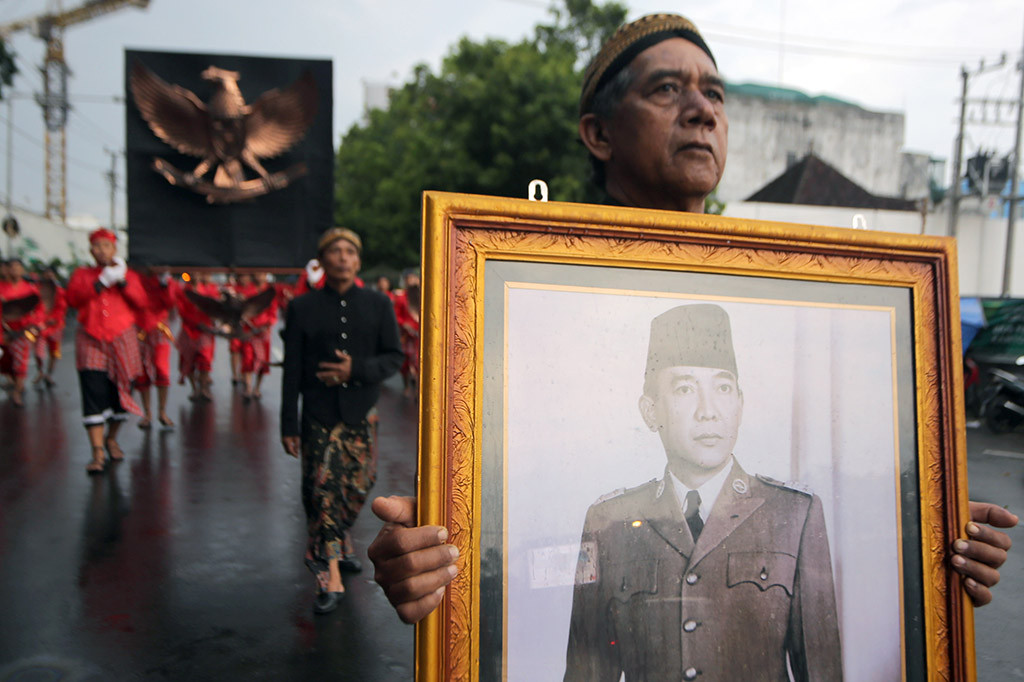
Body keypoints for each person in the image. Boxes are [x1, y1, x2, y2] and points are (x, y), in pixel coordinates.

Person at [367, 13, 1018, 626]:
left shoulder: (788, 295)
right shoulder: (526, 298)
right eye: (667, 89)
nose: (703, 109)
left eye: (714, 94)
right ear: (598, 133)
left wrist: (931, 540)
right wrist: (434, 565)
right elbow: (520, 550)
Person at [565, 303, 841, 680]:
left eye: (723, 388)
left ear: (740, 405)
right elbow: (587, 673)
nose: (708, 411)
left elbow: (823, 672)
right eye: (684, 389)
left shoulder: (794, 516)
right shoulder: (607, 522)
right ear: (650, 412)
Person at [280, 227, 403, 614]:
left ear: (358, 260)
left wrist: (356, 370)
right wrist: (289, 424)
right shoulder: (301, 307)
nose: (343, 257)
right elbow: (292, 371)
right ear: (323, 260)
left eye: (350, 251)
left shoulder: (378, 304)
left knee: (359, 484)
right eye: (335, 251)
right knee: (322, 493)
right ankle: (328, 573)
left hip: (360, 413)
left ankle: (341, 540)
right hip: (318, 413)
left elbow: (394, 357)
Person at [65, 228, 146, 474]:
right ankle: (97, 451)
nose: (101, 250)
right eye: (97, 246)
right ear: (91, 250)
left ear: (114, 250)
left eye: (106, 246)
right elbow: (73, 299)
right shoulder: (82, 274)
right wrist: (100, 283)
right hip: (91, 338)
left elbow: (141, 302)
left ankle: (112, 438)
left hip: (123, 338)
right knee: (93, 390)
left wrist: (121, 282)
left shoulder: (128, 275)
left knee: (121, 391)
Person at [134, 266, 178, 429]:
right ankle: (147, 414)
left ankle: (162, 412)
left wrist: (164, 285)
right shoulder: (134, 278)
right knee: (142, 372)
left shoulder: (167, 281)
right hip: (139, 331)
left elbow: (171, 303)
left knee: (161, 369)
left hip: (159, 331)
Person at [0, 257, 44, 406]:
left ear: (22, 270)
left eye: (18, 267)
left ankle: (17, 392)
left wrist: (35, 323)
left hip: (22, 332)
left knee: (21, 363)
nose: (15, 270)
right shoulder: (1, 288)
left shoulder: (30, 289)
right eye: (11, 267)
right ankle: (13, 382)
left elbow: (39, 309)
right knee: (5, 362)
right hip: (3, 332)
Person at [239, 272, 277, 400]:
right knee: (248, 359)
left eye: (262, 274)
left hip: (263, 332)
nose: (259, 276)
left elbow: (273, 313)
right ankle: (248, 387)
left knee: (263, 362)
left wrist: (266, 325)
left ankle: (257, 388)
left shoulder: (270, 292)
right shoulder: (248, 291)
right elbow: (242, 310)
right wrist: (246, 320)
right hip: (249, 331)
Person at [32, 266, 67, 388]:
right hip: (40, 327)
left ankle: (49, 374)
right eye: (46, 275)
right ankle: (41, 372)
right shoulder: (36, 290)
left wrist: (54, 320)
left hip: (56, 326)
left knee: (54, 352)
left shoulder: (60, 291)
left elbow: (62, 308)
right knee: (38, 352)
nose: (48, 277)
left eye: (51, 275)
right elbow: (34, 308)